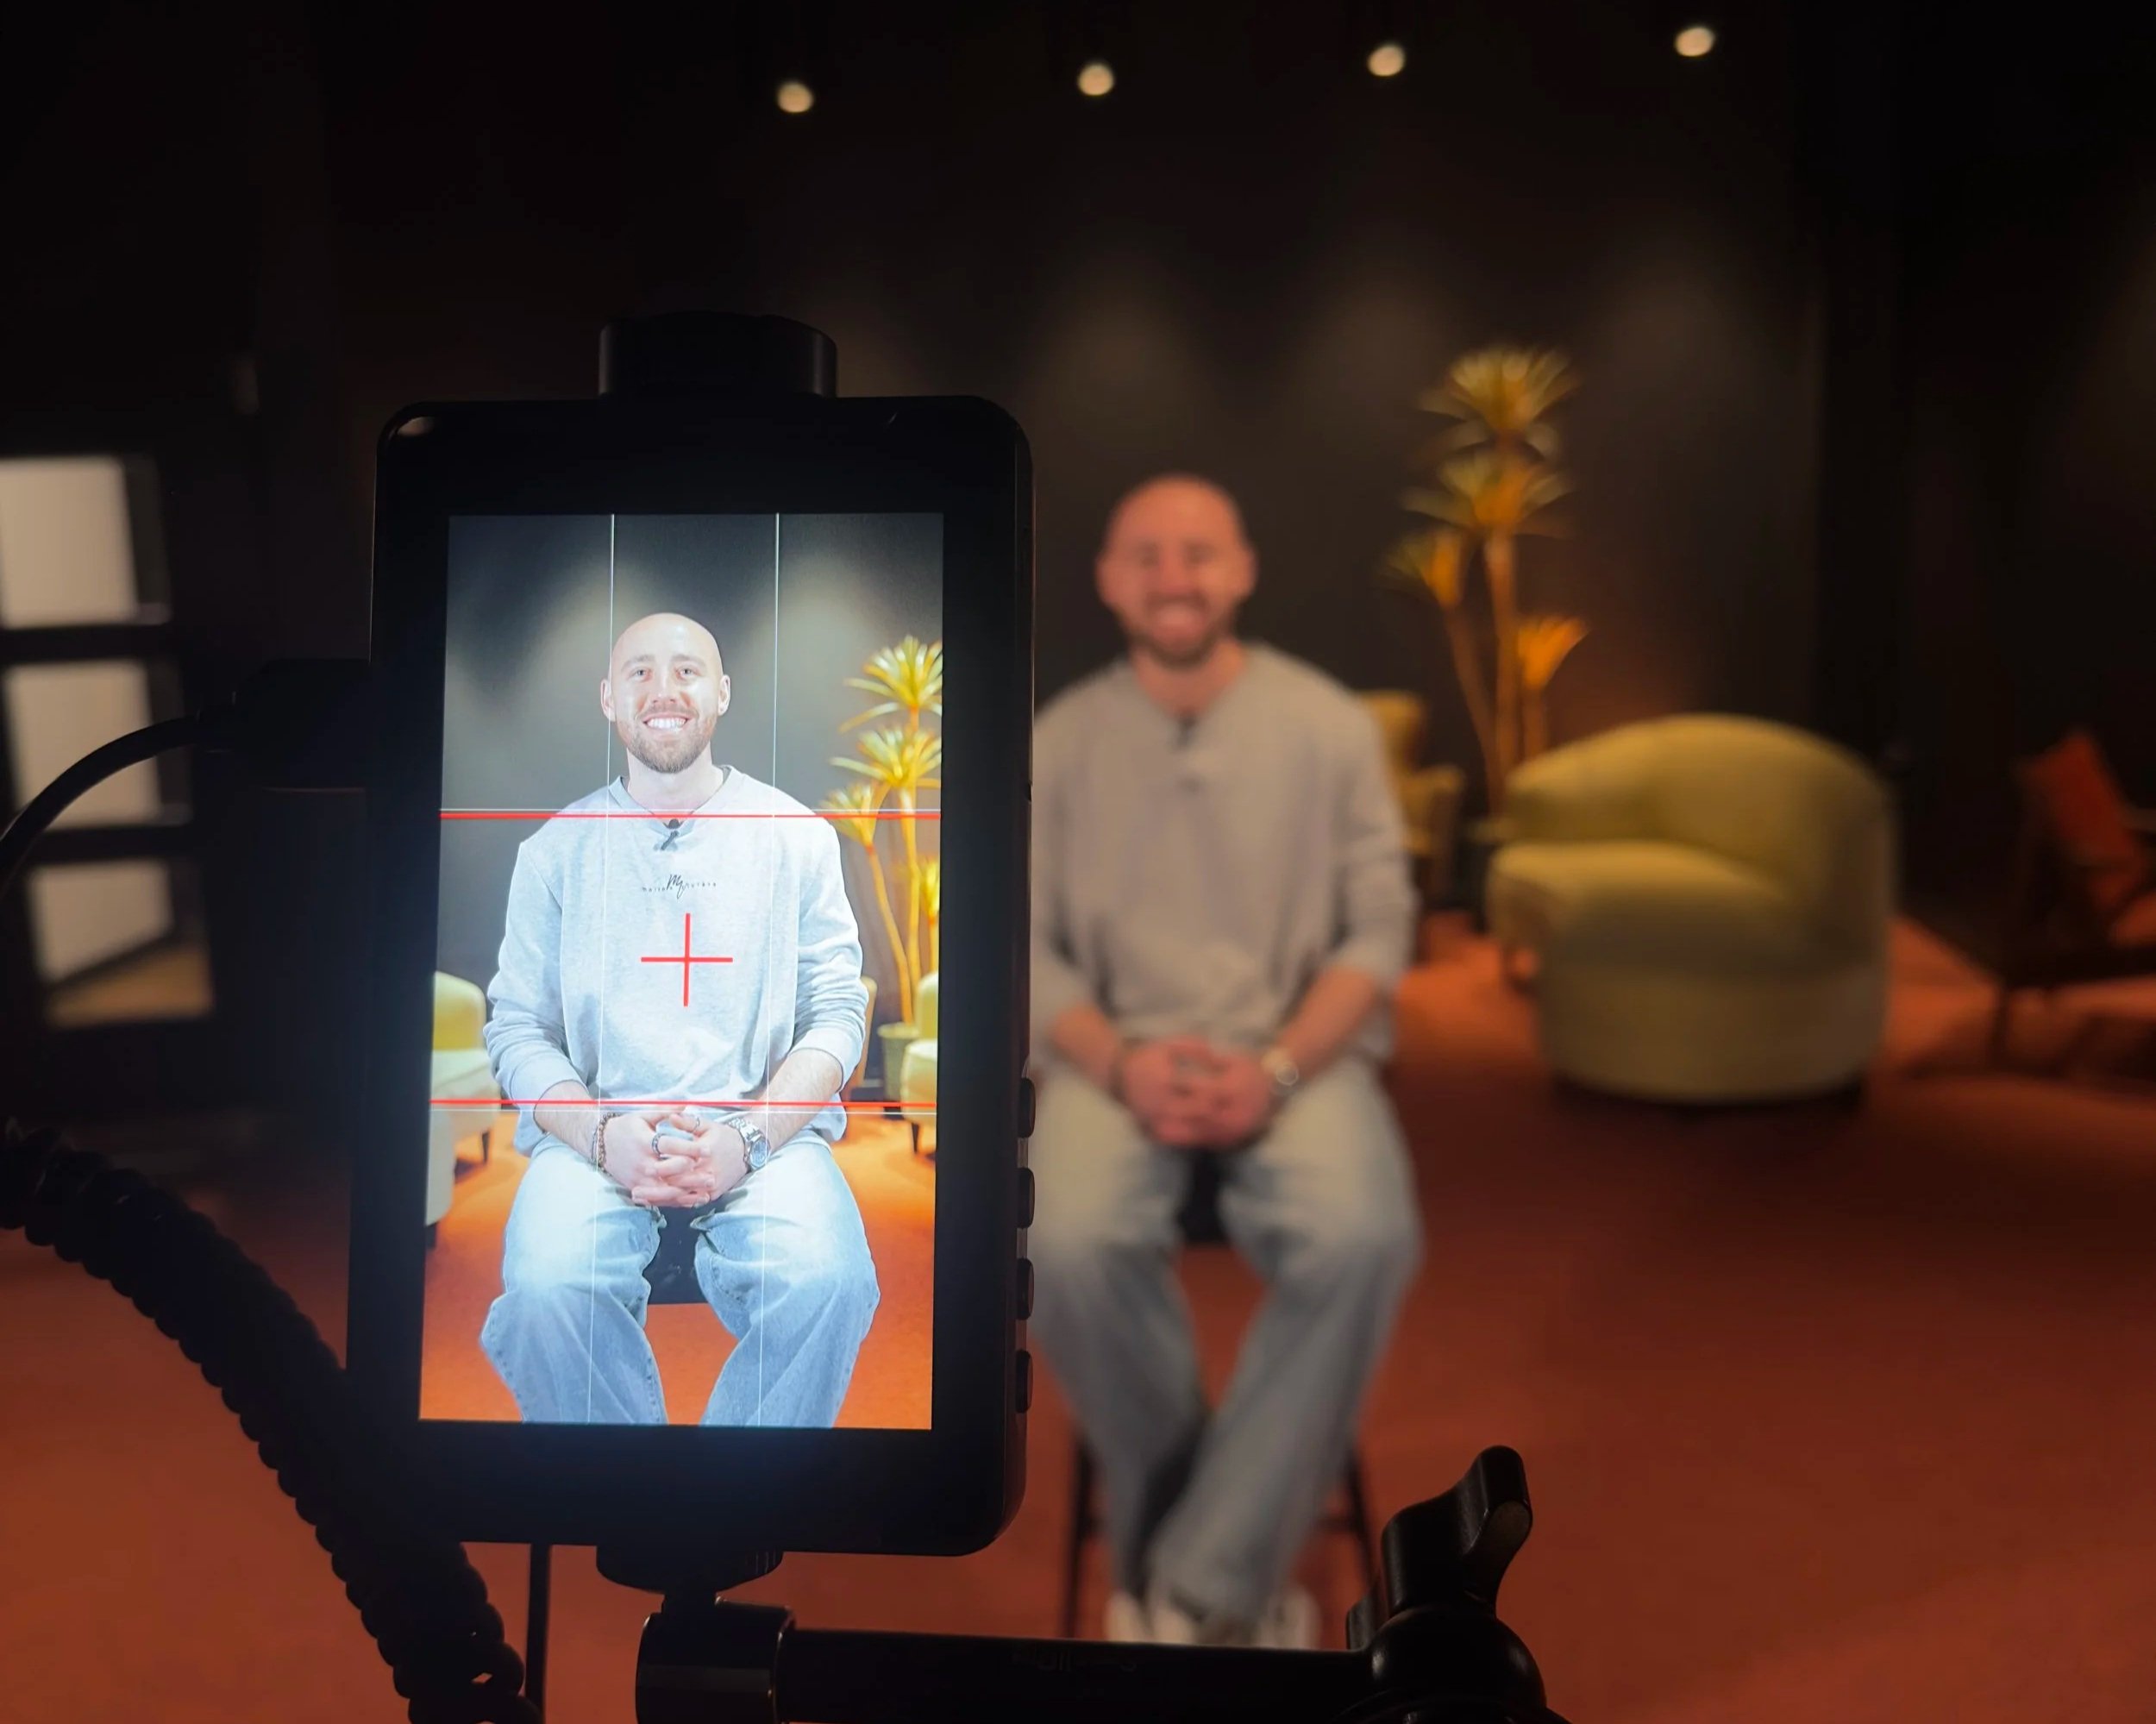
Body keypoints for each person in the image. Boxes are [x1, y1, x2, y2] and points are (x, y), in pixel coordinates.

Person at [1028, 475, 1423, 1648]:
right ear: (1109, 580)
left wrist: (1280, 1068)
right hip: (1114, 1060)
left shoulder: (1329, 726)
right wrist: (1120, 1062)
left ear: (1242, 569)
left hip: (1294, 1059)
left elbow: (1379, 932)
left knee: (1365, 1236)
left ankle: (1193, 1585)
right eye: (1147, 554)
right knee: (1059, 1240)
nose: (1175, 577)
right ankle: (1225, 1574)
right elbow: (1021, 947)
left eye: (1198, 552)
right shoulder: (1059, 741)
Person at [479, 611, 877, 1428]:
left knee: (833, 1281)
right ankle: (636, 1484)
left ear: (722, 692)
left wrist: (750, 1137)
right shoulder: (553, 852)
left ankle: (731, 1487)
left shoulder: (798, 838)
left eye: (687, 670)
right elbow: (516, 1028)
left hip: (762, 1135)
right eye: (640, 672)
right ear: (608, 698)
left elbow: (837, 1014)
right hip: (597, 1135)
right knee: (547, 1288)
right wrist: (599, 1135)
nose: (664, 689)